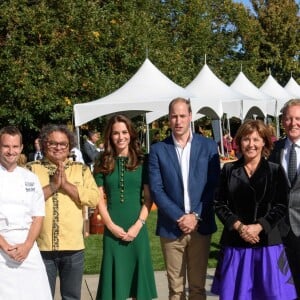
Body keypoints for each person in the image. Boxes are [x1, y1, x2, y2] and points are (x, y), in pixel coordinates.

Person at [212, 120, 296, 300]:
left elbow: (281, 205)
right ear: (239, 142)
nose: (251, 144)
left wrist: (259, 226)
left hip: (268, 244)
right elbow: (219, 203)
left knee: (270, 295)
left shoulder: (274, 170)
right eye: (246, 139)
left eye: (256, 139)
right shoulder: (228, 170)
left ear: (264, 142)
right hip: (236, 244)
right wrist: (240, 227)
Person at [148, 97, 220, 300]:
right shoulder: (157, 150)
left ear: (190, 117)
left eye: (182, 116)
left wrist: (195, 215)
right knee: (176, 290)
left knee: (197, 288)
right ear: (168, 119)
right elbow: (156, 189)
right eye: (173, 116)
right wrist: (181, 217)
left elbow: (213, 186)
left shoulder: (208, 147)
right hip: (172, 228)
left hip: (200, 226)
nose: (178, 121)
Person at [26, 124, 99, 300]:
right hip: (41, 246)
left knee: (72, 297)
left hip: (73, 247)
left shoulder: (80, 169)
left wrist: (66, 185)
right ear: (44, 144)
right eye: (53, 143)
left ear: (69, 147)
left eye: (63, 144)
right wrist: (52, 187)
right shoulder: (30, 170)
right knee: (41, 296)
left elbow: (94, 197)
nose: (58, 147)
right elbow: (24, 202)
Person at [93, 115, 157, 300]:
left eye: (124, 132)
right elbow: (99, 199)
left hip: (137, 229)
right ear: (110, 136)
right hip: (112, 230)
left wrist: (138, 226)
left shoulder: (143, 161)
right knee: (114, 289)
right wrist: (111, 226)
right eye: (115, 133)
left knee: (139, 288)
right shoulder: (102, 161)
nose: (120, 137)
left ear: (130, 134)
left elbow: (148, 199)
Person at [0, 126, 52, 299]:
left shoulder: (30, 178)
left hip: (28, 249)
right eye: (6, 146)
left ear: (21, 148)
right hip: (1, 247)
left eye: (15, 146)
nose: (10, 151)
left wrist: (27, 245)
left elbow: (38, 215)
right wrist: (6, 247)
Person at [269, 98, 300, 297]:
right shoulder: (274, 150)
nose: (293, 123)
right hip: (281, 229)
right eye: (288, 119)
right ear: (282, 121)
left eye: (298, 118)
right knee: (286, 284)